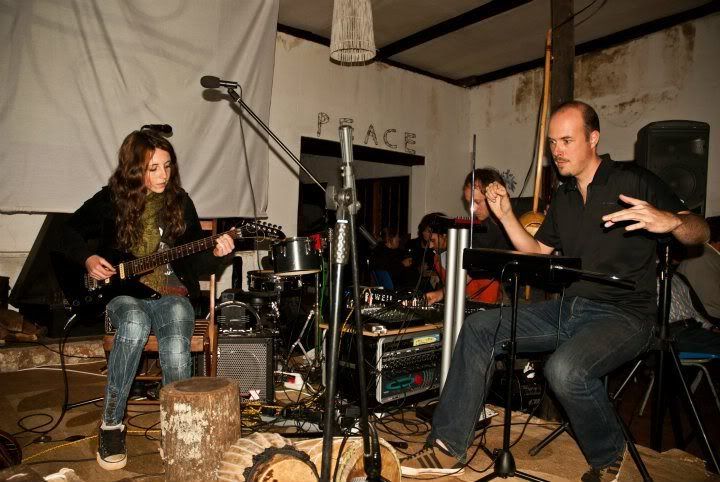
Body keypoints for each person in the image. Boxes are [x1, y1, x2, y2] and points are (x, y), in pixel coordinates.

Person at [400, 101, 709, 481]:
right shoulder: (563, 196)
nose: (557, 150)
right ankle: (447, 448)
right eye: (552, 142)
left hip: (627, 315)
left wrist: (671, 220)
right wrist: (505, 215)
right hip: (572, 308)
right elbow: (536, 251)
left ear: (593, 139)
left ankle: (611, 457)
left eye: (566, 140)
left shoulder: (633, 180)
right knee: (479, 328)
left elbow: (700, 231)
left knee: (564, 369)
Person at [59, 129, 235, 470]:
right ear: (134, 169)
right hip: (122, 293)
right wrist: (88, 259)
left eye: (167, 166)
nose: (163, 175)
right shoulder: (111, 200)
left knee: (176, 344)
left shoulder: (180, 202)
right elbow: (67, 232)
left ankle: (177, 424)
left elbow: (196, 262)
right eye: (153, 168)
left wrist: (217, 253)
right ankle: (112, 424)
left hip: (171, 294)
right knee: (134, 323)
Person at [424, 168, 512, 305]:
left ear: (495, 196)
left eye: (477, 202)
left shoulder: (506, 227)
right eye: (469, 203)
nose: (473, 209)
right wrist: (441, 293)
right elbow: (469, 273)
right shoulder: (480, 228)